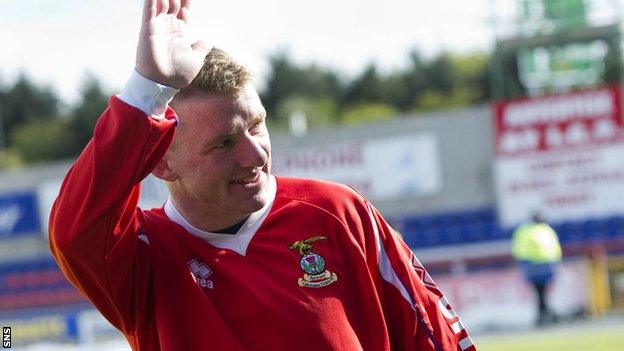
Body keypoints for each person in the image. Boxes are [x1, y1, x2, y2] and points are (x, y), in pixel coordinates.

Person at [49, 0, 475, 350]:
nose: (255, 154)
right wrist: (148, 89)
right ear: (162, 162)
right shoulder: (143, 257)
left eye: (257, 125)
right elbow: (74, 231)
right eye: (224, 143)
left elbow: (433, 337)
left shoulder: (337, 211)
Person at [511, 212, 562, 326]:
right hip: (534, 264)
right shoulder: (530, 230)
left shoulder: (539, 230)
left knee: (541, 292)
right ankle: (545, 315)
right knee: (540, 292)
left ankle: (544, 315)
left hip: (543, 264)